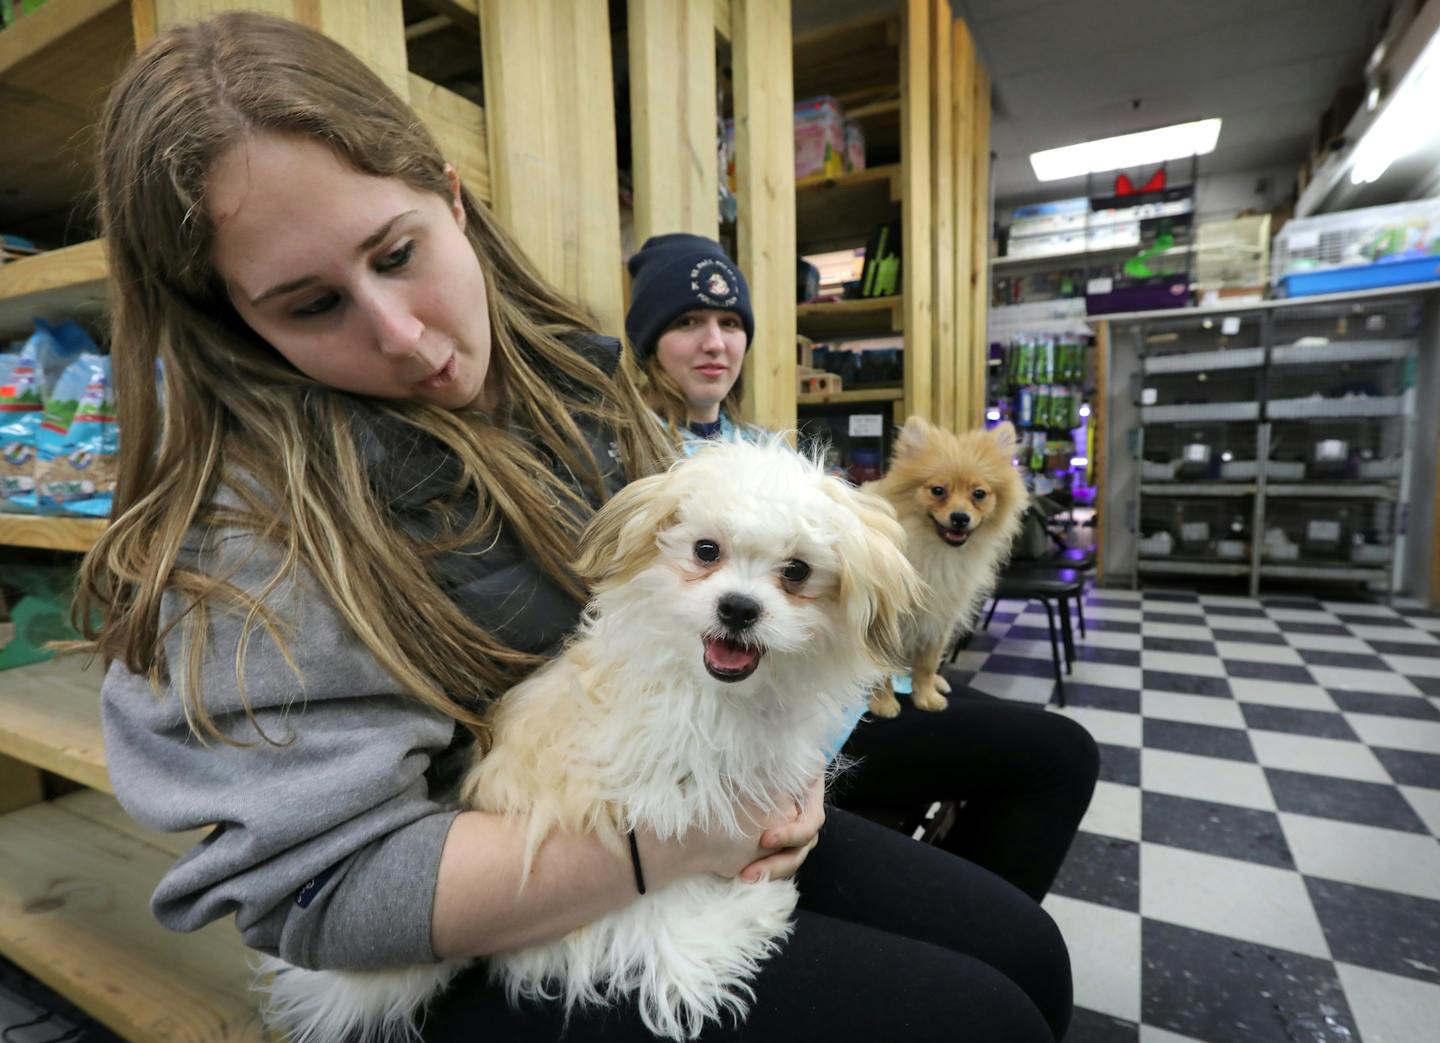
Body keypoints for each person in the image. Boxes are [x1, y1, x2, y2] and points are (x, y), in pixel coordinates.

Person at [83, 13, 1070, 1042]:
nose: (403, 335)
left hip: (689, 782)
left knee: (1028, 953)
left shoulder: (574, 375)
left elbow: (726, 630)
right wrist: (673, 847)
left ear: (452, 198)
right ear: (233, 318)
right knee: (983, 1016)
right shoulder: (243, 538)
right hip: (487, 906)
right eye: (311, 304)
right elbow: (327, 892)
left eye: (399, 251)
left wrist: (792, 776)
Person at [625, 233, 1101, 904]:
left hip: (834, 686)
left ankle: (964, 906)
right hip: (760, 721)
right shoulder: (634, 459)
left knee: (1061, 749)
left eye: (730, 323)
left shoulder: (765, 447)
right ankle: (963, 920)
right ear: (648, 342)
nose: (715, 343)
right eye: (686, 323)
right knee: (1052, 758)